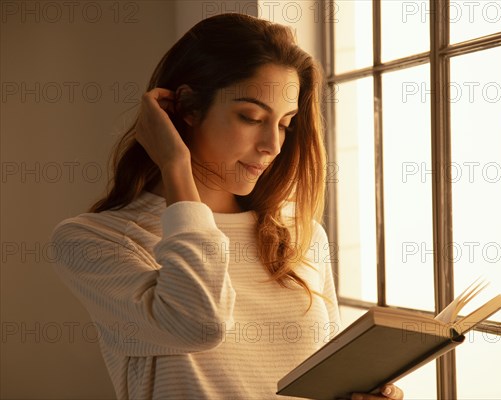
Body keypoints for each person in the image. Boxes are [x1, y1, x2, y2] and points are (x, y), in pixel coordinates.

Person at [51, 13, 404, 400]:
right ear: (186, 106)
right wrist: (175, 165)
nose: (273, 144)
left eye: (285, 123)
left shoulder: (299, 235)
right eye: (251, 117)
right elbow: (198, 325)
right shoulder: (93, 239)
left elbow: (321, 381)